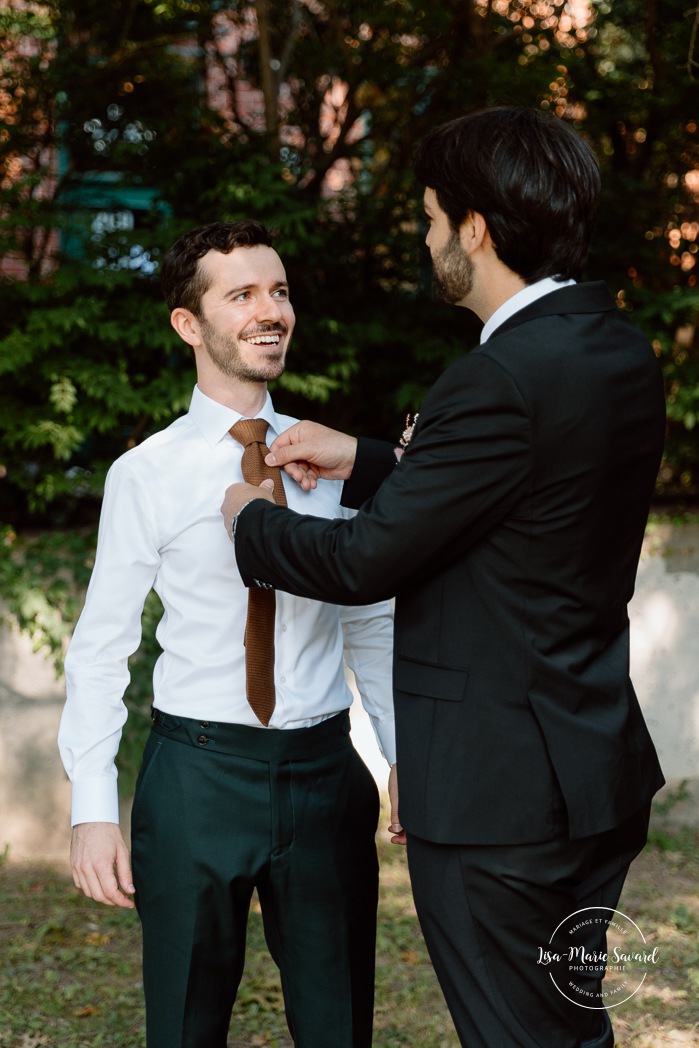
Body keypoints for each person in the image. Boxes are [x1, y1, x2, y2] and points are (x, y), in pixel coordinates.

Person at [220, 107, 667, 1048]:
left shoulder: (492, 377)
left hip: (497, 798)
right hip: (590, 769)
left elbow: (361, 561)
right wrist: (373, 460)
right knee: (567, 1032)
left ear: (474, 228)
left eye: (429, 220)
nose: (425, 241)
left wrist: (251, 526)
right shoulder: (612, 348)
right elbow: (533, 489)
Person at [58, 219, 397, 1048]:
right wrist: (93, 807)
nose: (268, 310)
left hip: (324, 776)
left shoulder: (328, 460)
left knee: (337, 1024)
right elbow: (103, 645)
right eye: (241, 294)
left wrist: (402, 760)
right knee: (184, 1022)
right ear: (189, 322)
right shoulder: (145, 473)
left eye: (278, 291)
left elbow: (372, 627)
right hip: (195, 779)